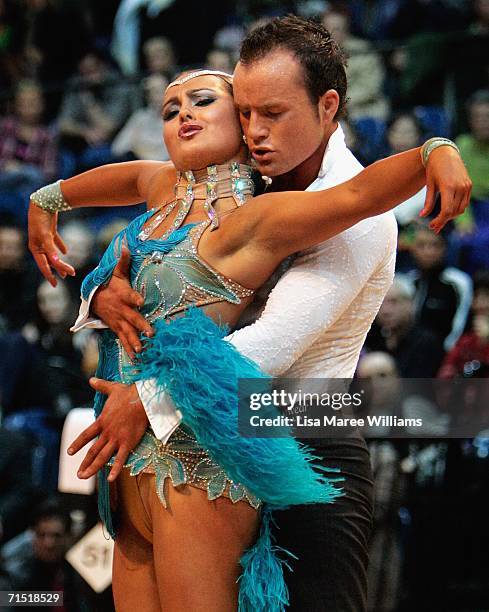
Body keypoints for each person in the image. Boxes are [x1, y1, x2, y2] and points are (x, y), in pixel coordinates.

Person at [28, 17, 471, 612]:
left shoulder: (348, 215)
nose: (255, 131)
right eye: (247, 113)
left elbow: (265, 348)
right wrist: (100, 290)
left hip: (307, 432)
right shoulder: (218, 184)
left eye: (272, 114)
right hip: (171, 435)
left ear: (328, 106)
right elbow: (136, 213)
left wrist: (434, 148)